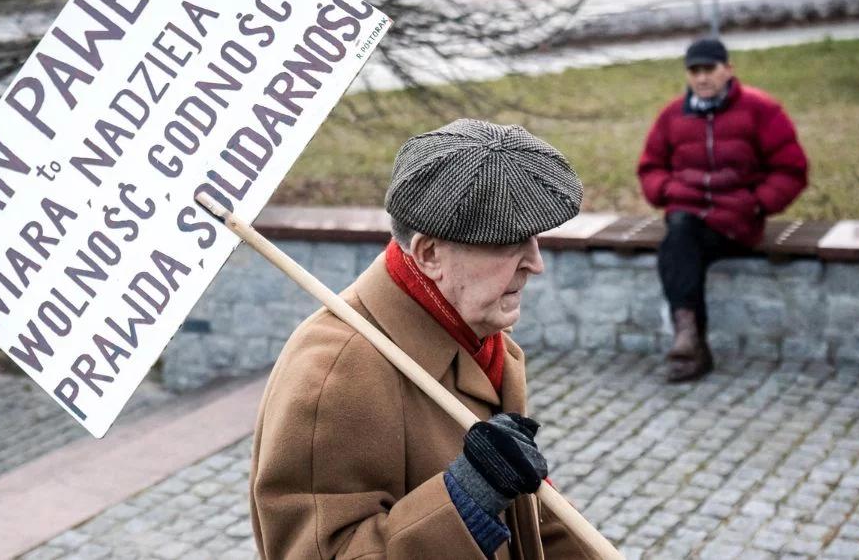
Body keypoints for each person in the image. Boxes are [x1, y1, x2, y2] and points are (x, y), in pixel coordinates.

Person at [250, 119, 589, 559]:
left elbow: (528, 517)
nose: (535, 262)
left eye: (533, 237)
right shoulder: (335, 373)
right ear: (429, 254)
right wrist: (465, 505)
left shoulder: (473, 328)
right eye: (508, 242)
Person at [637, 38, 808, 383]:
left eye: (709, 69)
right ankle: (689, 338)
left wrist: (758, 203)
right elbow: (650, 168)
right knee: (681, 236)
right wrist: (668, 190)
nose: (702, 78)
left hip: (737, 222)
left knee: (679, 245)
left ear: (728, 70)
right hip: (688, 217)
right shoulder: (672, 116)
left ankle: (690, 342)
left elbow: (791, 169)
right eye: (694, 71)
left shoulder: (761, 110)